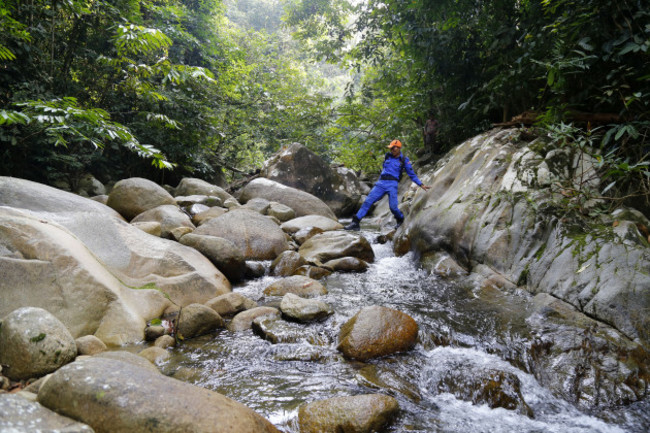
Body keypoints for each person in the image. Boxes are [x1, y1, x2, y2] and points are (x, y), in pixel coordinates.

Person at [345, 139, 430, 231]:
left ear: (399, 148)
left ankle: (400, 219)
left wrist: (421, 184)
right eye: (391, 148)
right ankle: (355, 222)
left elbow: (412, 174)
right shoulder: (388, 156)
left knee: (393, 207)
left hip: (392, 184)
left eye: (393, 148)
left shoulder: (404, 159)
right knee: (368, 201)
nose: (392, 150)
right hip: (380, 183)